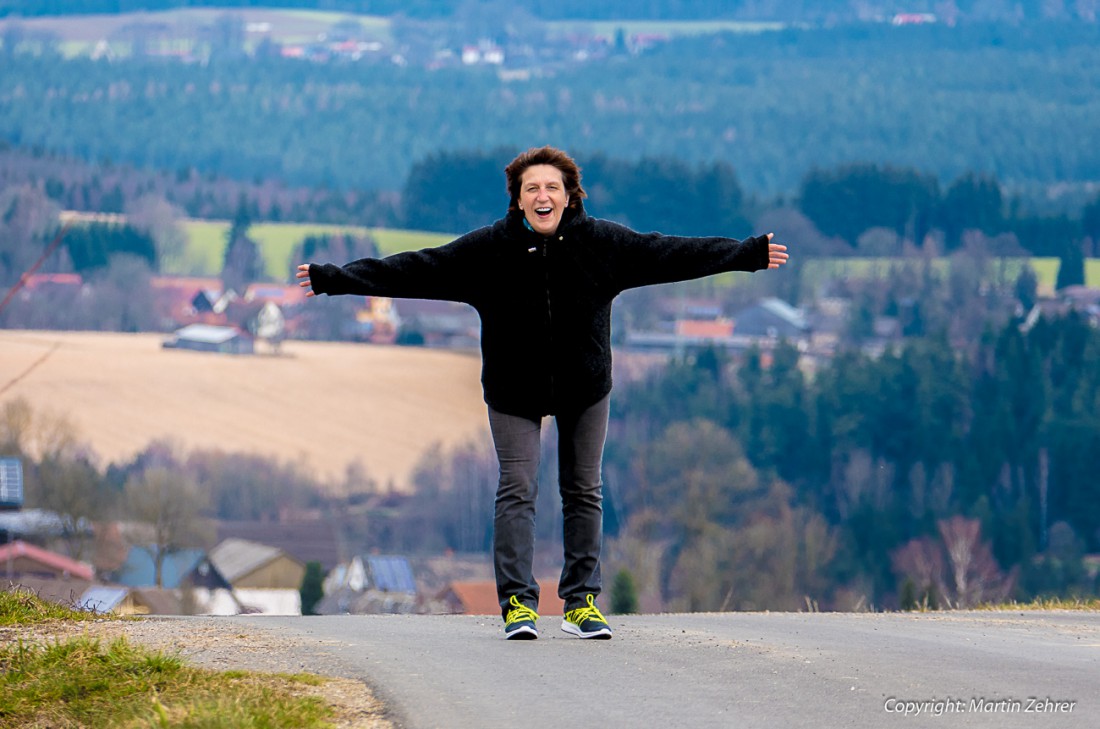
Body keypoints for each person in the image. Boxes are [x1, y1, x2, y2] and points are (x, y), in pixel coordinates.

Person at [297, 146, 790, 640]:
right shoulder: (487, 250)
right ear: (516, 200)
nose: (542, 195)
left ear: (571, 196)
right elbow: (415, 268)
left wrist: (745, 254)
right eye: (531, 187)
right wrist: (334, 280)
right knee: (518, 489)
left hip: (585, 387)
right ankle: (518, 606)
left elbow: (670, 253)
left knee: (583, 490)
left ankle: (581, 605)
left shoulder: (603, 244)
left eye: (553, 187)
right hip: (514, 391)